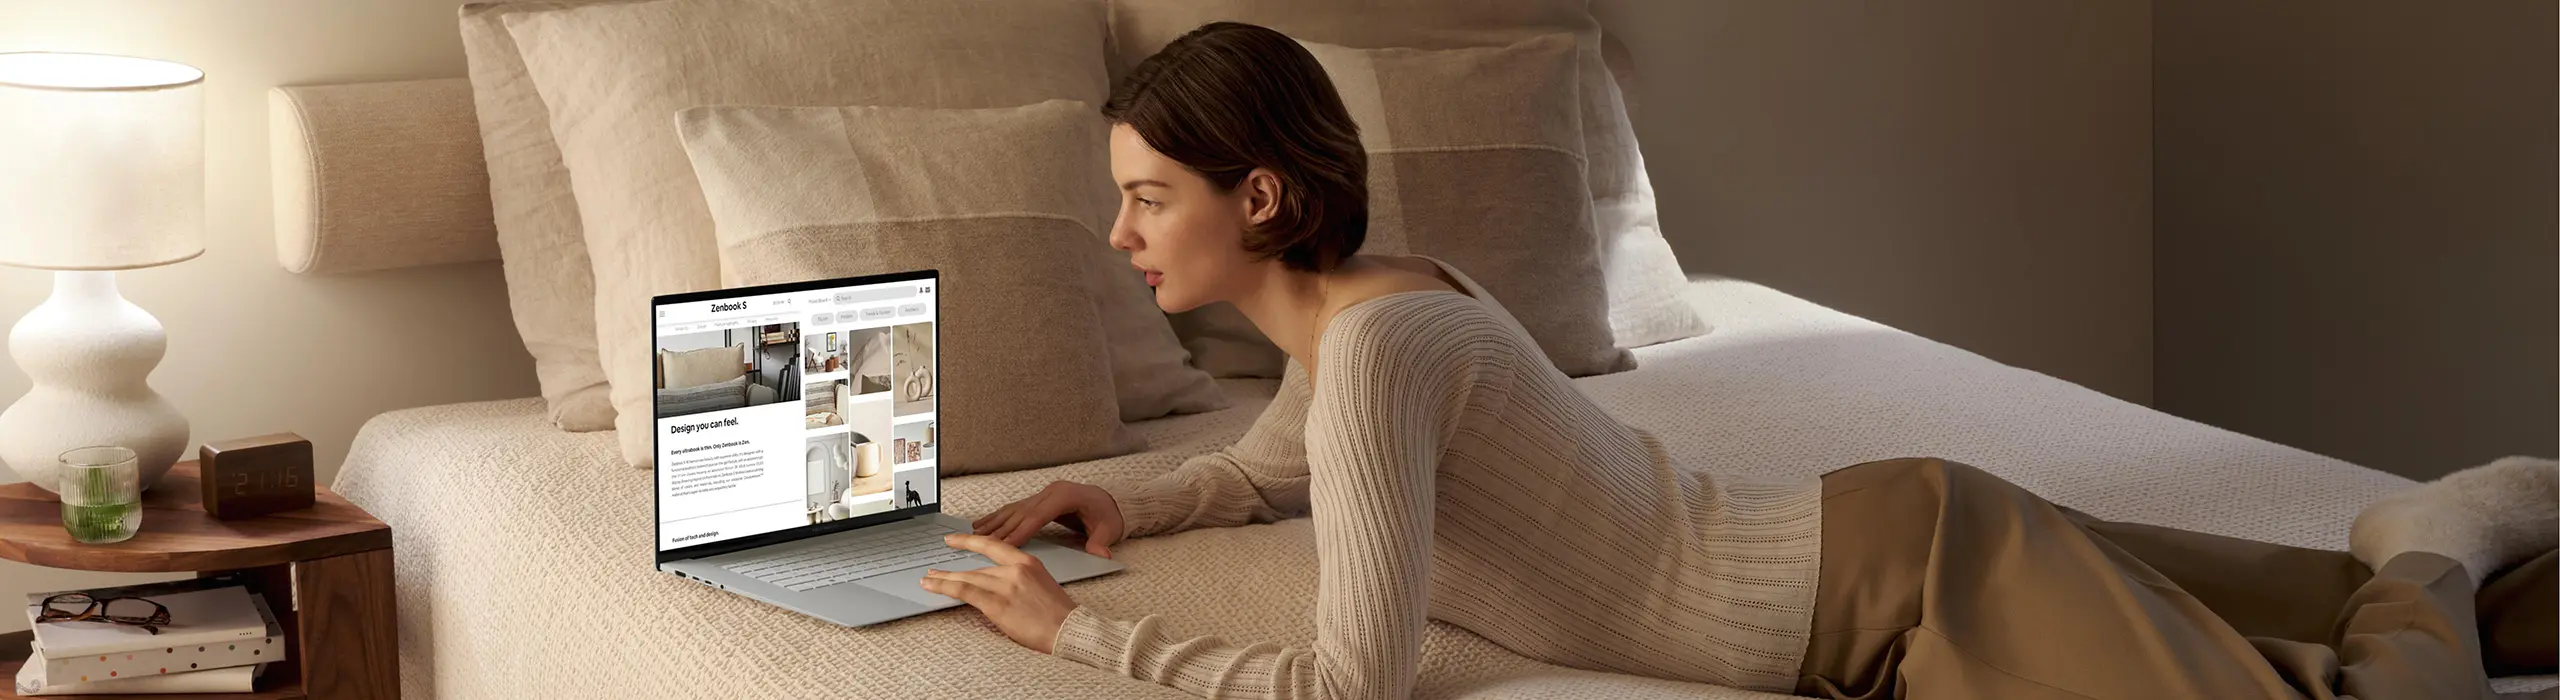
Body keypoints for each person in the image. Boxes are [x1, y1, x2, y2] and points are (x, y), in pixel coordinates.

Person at [918, 21, 2560, 699]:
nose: (1124, 237)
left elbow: (1353, 682)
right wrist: (1116, 496)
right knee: (2340, 612)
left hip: (1897, 595)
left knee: (2373, 679)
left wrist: (1080, 640)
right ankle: (2436, 560)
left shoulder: (1375, 360)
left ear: (1256, 197)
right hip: (1890, 536)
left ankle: (2436, 525)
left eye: (1148, 199)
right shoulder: (1376, 311)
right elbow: (1262, 466)